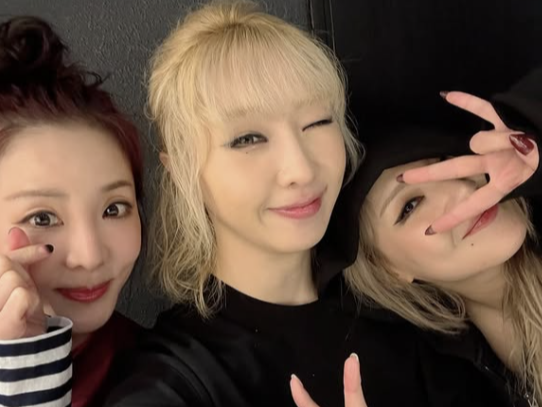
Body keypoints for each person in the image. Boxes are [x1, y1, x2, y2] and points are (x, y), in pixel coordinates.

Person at [104, 2, 530, 406]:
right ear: (182, 170)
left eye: (318, 122)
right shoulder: (176, 377)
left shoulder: (410, 307)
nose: (301, 169)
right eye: (248, 139)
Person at [336, 80, 542, 406]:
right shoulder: (442, 382)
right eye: (410, 205)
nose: (462, 190)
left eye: (448, 161)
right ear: (389, 271)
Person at [0, 16, 144, 407]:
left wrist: (27, 369)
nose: (90, 256)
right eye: (42, 218)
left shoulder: (164, 378)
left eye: (114, 209)